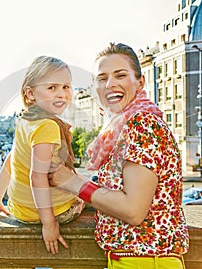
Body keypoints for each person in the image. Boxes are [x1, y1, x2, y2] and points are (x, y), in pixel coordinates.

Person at [49, 43, 189, 268]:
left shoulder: (141, 124)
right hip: (135, 260)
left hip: (145, 261)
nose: (110, 84)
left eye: (120, 75)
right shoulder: (122, 126)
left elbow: (133, 211)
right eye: (102, 78)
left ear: (140, 82)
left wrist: (73, 182)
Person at [0, 56, 85, 255]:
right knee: (92, 191)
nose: (62, 94)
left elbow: (12, 160)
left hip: (19, 209)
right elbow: (37, 177)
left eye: (66, 87)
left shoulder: (25, 120)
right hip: (54, 212)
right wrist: (49, 224)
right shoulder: (47, 126)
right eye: (52, 88)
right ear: (30, 94)